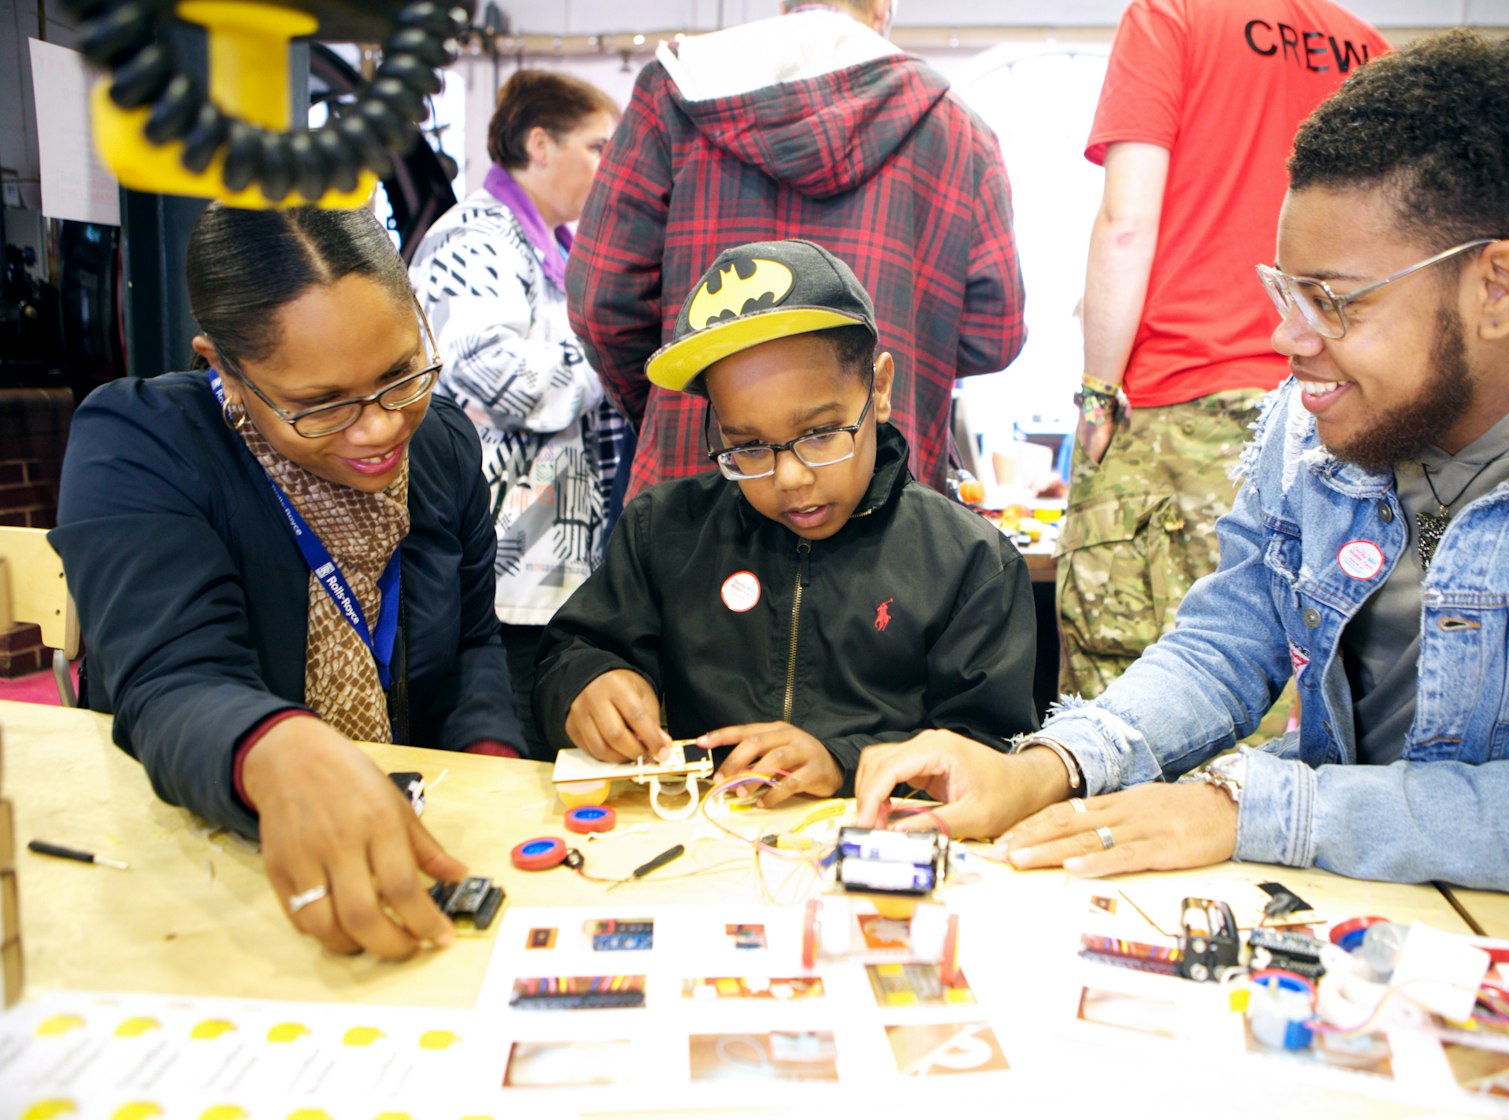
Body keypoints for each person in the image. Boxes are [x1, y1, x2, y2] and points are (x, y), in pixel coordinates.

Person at [855, 31, 1509, 897]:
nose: (1287, 341)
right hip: (1354, 919)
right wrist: (1046, 765)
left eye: (1331, 301)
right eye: (1286, 291)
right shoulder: (1319, 412)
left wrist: (1250, 809)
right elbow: (1230, 638)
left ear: (1499, 288)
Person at [53, 204, 526, 959]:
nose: (378, 429)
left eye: (401, 373)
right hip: (203, 860)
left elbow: (471, 644)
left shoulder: (439, 444)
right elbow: (173, 680)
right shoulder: (140, 445)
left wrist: (493, 773)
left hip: (415, 839)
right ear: (226, 371)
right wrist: (276, 750)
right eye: (320, 406)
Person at [534, 239, 1037, 803]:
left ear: (882, 387)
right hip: (691, 844)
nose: (790, 478)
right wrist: (585, 684)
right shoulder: (663, 531)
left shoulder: (970, 564)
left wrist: (844, 764)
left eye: (821, 435)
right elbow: (569, 652)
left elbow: (991, 753)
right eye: (747, 446)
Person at [566, 0, 1025, 501]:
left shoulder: (676, 92)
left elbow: (601, 301)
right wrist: (900, 367)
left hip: (696, 484)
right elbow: (992, 336)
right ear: (882, 11)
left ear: (785, 6)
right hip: (878, 495)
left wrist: (684, 399)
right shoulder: (959, 131)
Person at [1059, 0, 1385, 698]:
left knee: (1142, 697)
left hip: (1181, 406)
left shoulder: (1171, 15)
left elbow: (1126, 223)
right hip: (1332, 411)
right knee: (1291, 700)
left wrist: (1095, 394)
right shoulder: (1367, 49)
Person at [408, 70, 626, 757]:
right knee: (508, 743)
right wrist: (615, 348)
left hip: (551, 561)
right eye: (598, 148)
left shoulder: (551, 246)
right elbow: (503, 380)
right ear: (539, 144)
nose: (610, 168)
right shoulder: (475, 239)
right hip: (507, 563)